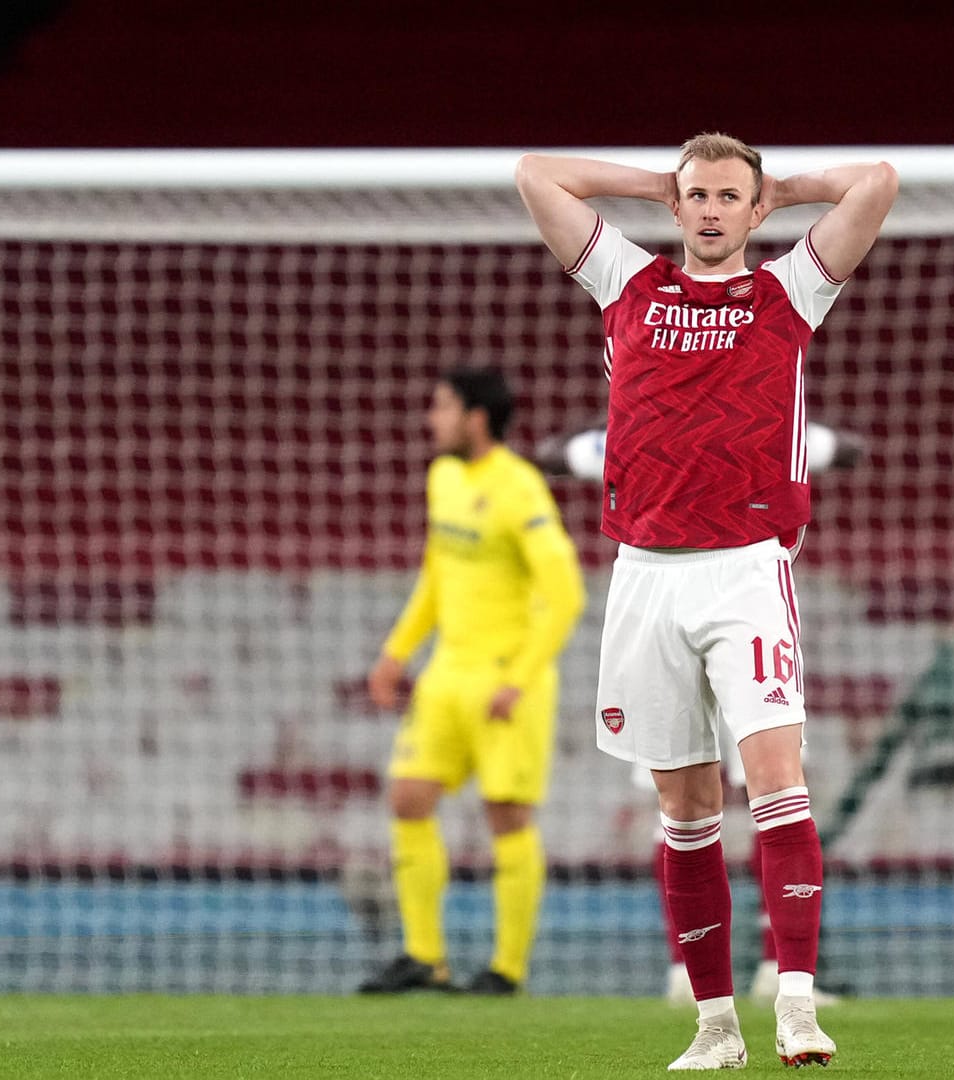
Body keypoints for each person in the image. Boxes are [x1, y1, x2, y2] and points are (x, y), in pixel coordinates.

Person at [517, 133, 896, 1069]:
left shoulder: (789, 291)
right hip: (644, 571)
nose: (714, 210)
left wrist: (781, 188)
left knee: (776, 779)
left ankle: (797, 1007)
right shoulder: (627, 285)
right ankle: (716, 1025)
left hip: (743, 567)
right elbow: (536, 173)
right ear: (678, 210)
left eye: (732, 197)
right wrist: (657, 186)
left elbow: (878, 182)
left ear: (756, 211)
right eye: (701, 197)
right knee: (686, 810)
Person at [534, 421, 864, 1007]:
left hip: (683, 611)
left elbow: (556, 454)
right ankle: (753, 970)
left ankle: (691, 972)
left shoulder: (636, 436)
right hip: (739, 614)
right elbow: (849, 448)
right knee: (753, 795)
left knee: (716, 802)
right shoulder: (764, 427)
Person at [358, 368, 586, 996]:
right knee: (407, 798)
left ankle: (505, 969)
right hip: (446, 675)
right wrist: (395, 654)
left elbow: (565, 594)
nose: (431, 420)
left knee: (505, 815)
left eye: (442, 408)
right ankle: (423, 957)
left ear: (476, 418)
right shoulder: (443, 478)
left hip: (505, 680)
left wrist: (519, 676)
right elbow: (437, 576)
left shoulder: (520, 488)